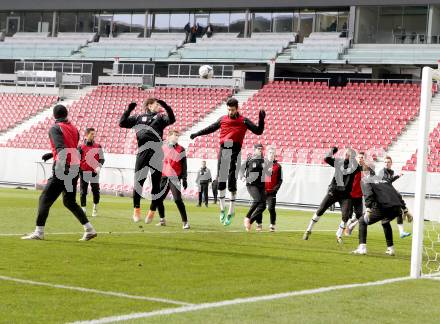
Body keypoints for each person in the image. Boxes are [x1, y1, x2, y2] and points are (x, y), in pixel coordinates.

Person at [22, 105, 97, 241]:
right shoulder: (74, 129)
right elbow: (71, 148)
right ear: (66, 114)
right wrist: (52, 154)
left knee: (44, 199)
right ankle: (89, 229)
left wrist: (59, 169)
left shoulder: (55, 128)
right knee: (69, 202)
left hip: (63, 169)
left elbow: (62, 150)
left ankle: (39, 232)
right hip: (74, 168)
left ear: (54, 115)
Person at [190, 98, 265, 226]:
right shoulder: (223, 119)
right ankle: (222, 209)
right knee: (220, 183)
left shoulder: (244, 121)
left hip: (235, 152)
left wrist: (261, 119)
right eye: (229, 109)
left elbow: (258, 131)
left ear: (237, 108)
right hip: (224, 151)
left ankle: (231, 211)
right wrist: (197, 133)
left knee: (231, 183)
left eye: (232, 109)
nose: (230, 112)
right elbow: (211, 128)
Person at [119, 97, 175, 223]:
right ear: (149, 106)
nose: (158, 106)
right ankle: (136, 210)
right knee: (138, 182)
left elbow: (172, 119)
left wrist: (165, 105)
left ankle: (151, 211)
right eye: (156, 104)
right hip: (142, 152)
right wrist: (128, 110)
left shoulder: (160, 118)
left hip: (156, 153)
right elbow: (122, 123)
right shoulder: (138, 118)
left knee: (156, 184)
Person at [303, 147, 364, 243]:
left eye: (349, 154)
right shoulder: (339, 161)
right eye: (346, 153)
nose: (346, 155)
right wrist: (333, 150)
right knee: (321, 210)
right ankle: (308, 229)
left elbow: (365, 169)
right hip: (334, 191)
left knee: (346, 216)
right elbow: (326, 159)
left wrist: (361, 161)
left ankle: (338, 235)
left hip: (345, 195)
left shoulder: (355, 167)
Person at [352, 164, 406, 256]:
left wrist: (368, 208)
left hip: (384, 206)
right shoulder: (383, 179)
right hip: (396, 207)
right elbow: (396, 193)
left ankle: (362, 248)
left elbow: (368, 194)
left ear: (364, 172)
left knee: (362, 221)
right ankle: (391, 249)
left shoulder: (366, 180)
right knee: (385, 222)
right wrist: (404, 208)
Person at [154, 129, 190, 229]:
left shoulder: (181, 149)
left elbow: (184, 165)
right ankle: (162, 220)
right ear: (169, 136)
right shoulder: (162, 148)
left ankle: (185, 222)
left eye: (178, 136)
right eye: (175, 135)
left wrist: (184, 178)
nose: (177, 137)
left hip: (175, 178)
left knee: (178, 200)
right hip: (164, 177)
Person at [382, 156, 412, 238]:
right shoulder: (383, 172)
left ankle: (402, 232)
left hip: (388, 193)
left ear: (391, 163)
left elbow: (389, 183)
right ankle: (405, 210)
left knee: (398, 209)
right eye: (385, 162)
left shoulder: (391, 172)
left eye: (388, 162)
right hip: (383, 194)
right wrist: (397, 176)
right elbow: (387, 182)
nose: (386, 163)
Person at [78, 127, 105, 217]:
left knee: (96, 191)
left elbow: (102, 159)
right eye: (92, 134)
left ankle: (95, 208)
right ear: (86, 135)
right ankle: (83, 210)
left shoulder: (98, 146)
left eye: (94, 134)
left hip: (94, 172)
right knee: (83, 192)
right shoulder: (81, 147)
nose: (94, 136)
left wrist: (99, 167)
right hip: (83, 172)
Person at [241, 143, 267, 232]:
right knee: (257, 200)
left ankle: (251, 222)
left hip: (261, 185)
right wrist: (243, 176)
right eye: (258, 148)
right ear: (254, 149)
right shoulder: (250, 159)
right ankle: (247, 217)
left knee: (263, 206)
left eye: (261, 149)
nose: (260, 150)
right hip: (251, 184)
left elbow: (267, 173)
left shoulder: (264, 161)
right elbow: (241, 169)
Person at [265, 146, 283, 232]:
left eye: (273, 153)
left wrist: (275, 189)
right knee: (259, 207)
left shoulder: (278, 166)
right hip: (262, 191)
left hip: (272, 192)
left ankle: (272, 224)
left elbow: (280, 180)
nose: (271, 155)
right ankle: (258, 223)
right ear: (267, 154)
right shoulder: (262, 164)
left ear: (275, 155)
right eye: (270, 153)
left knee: (271, 208)